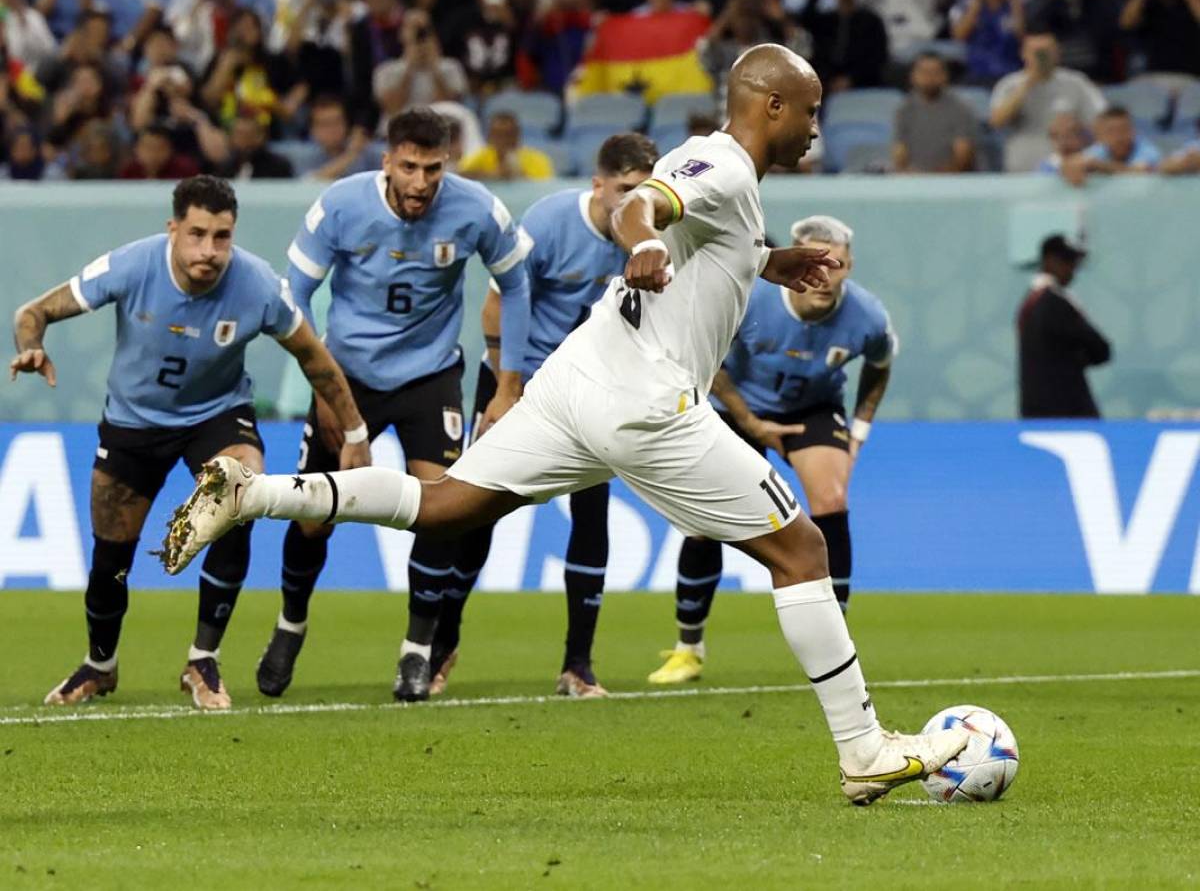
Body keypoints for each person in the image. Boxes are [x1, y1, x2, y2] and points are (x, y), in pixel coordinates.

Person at [160, 44, 968, 806]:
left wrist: (769, 260)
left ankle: (254, 493)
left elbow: (709, 237)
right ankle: (862, 749)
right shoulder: (716, 159)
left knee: (448, 503)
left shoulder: (731, 182)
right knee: (802, 551)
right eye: (811, 110)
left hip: (578, 376)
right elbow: (643, 203)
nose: (819, 126)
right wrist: (644, 238)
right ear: (774, 104)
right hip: (643, 402)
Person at [9, 175, 369, 710]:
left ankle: (203, 660)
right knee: (112, 555)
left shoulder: (259, 286)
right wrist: (32, 347)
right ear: (172, 229)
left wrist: (356, 431)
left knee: (239, 492)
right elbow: (31, 312)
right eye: (197, 234)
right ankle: (99, 665)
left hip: (216, 416)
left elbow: (314, 357)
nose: (209, 251)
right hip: (133, 423)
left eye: (221, 236)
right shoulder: (130, 266)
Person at [252, 108, 532, 704]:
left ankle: (417, 650)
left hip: (430, 377)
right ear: (386, 162)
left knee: (441, 509)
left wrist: (508, 386)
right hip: (347, 377)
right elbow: (292, 294)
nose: (421, 181)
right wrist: (319, 384)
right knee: (310, 515)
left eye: (432, 168)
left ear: (447, 164)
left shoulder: (478, 208)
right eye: (409, 166)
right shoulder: (340, 206)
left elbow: (519, 282)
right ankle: (291, 624)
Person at [434, 132, 659, 699]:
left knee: (592, 512)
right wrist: (504, 387)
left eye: (645, 192)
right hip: (519, 377)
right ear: (599, 184)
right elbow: (496, 302)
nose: (634, 205)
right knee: (474, 510)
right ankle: (440, 645)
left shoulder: (651, 239)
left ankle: (578, 666)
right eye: (625, 191)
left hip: (591, 390)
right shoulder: (550, 221)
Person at [649, 215, 896, 684]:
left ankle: (835, 645)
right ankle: (688, 647)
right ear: (796, 261)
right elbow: (708, 359)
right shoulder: (751, 299)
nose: (825, 277)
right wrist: (749, 422)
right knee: (703, 526)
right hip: (737, 409)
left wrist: (859, 428)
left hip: (814, 412)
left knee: (831, 501)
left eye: (837, 264)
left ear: (851, 266)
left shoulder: (868, 316)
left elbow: (881, 364)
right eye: (815, 264)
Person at [1017, 234, 1110, 418]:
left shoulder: (1030, 301)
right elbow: (1100, 348)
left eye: (1074, 262)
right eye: (1066, 261)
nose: (1071, 268)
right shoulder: (1056, 303)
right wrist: (1077, 358)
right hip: (1066, 413)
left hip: (1035, 411)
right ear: (1048, 261)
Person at [989, 32, 1106, 172]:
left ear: (1057, 53)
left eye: (1046, 52)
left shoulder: (1076, 82)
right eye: (1037, 53)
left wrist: (1074, 127)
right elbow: (997, 121)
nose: (1042, 58)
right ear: (1023, 54)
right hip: (1023, 164)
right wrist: (1028, 83)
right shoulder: (1009, 84)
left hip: (1068, 166)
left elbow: (1102, 122)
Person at [892, 52, 977, 173]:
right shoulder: (904, 110)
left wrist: (936, 178)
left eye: (935, 72)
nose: (929, 77)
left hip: (953, 180)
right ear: (913, 76)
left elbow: (963, 156)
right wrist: (911, 175)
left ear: (945, 76)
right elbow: (899, 153)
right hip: (914, 180)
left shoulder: (960, 108)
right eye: (924, 72)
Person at [1060, 105, 1161, 185]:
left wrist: (1097, 165)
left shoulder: (1147, 150)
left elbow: (1137, 172)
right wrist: (1071, 166)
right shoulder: (1100, 149)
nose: (1119, 136)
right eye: (1111, 131)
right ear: (1101, 135)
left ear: (1133, 131)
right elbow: (1075, 162)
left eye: (1124, 130)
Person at [949, 0, 1025, 85]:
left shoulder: (1020, 3)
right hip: (978, 72)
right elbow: (959, 36)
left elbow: (1024, 38)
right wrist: (977, 3)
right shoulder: (964, 3)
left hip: (1012, 71)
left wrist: (1014, 2)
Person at [458, 111, 555, 181]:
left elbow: (543, 189)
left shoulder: (538, 159)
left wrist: (518, 174)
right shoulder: (481, 156)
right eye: (497, 135)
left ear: (517, 136)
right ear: (489, 137)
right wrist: (492, 175)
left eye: (508, 135)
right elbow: (460, 176)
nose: (503, 140)